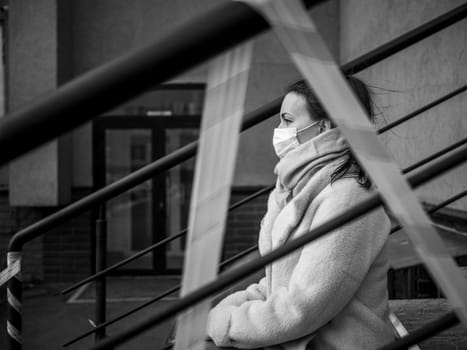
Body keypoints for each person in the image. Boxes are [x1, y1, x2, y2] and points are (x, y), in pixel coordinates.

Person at [206, 77, 397, 349]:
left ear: (324, 128)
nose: (278, 130)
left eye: (287, 120)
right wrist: (218, 315)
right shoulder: (294, 187)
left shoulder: (348, 197)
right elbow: (276, 284)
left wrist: (224, 324)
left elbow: (301, 308)